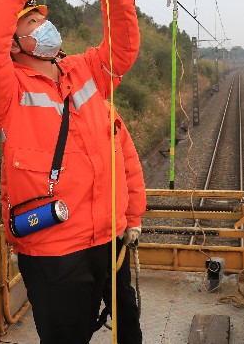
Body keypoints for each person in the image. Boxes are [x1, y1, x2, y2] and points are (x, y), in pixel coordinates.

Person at [0, 0, 141, 344]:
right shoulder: (6, 91)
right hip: (54, 247)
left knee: (128, 328)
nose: (44, 27)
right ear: (13, 44)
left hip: (106, 237)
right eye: (31, 23)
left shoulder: (83, 69)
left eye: (43, 19)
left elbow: (123, 50)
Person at [95, 108, 146, 344]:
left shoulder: (107, 112)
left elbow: (129, 168)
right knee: (75, 311)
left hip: (111, 234)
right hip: (69, 238)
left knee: (123, 300)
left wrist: (133, 219)